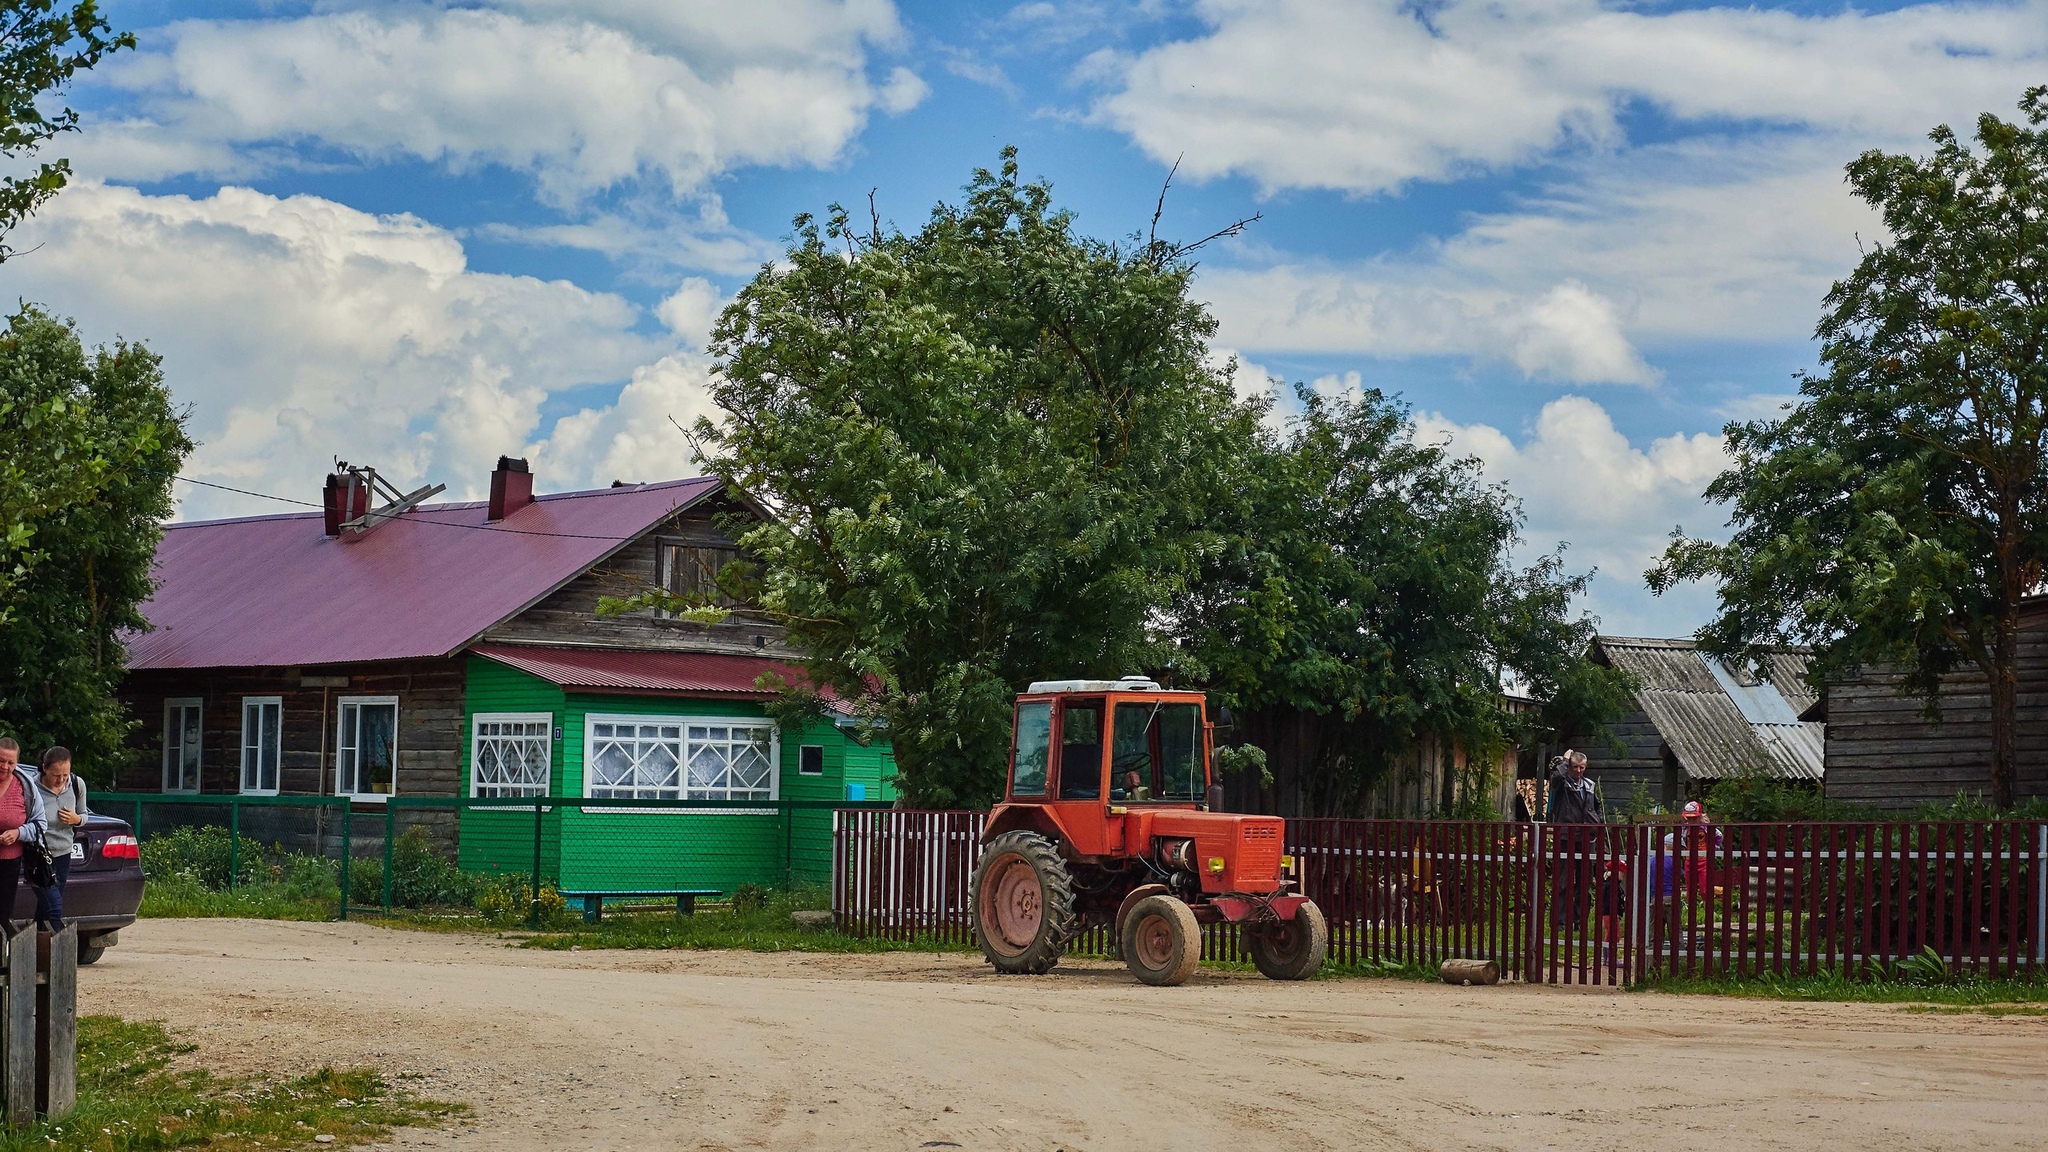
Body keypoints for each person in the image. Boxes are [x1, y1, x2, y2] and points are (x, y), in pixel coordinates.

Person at [1546, 751, 1602, 930]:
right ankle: (1560, 922)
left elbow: (1597, 807)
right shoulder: (1561, 783)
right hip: (1565, 836)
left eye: (1582, 767)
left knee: (1585, 882)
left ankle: (1580, 921)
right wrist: (1564, 760)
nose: (1578, 771)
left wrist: (1596, 824)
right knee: (1563, 881)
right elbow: (1557, 777)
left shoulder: (1590, 785)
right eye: (1575, 767)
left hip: (1587, 837)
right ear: (1570, 766)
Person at [33, 747, 86, 932]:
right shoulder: (32, 788)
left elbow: (84, 814)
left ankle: (35, 950)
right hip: (39, 856)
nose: (61, 780)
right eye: (56, 775)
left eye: (66, 774)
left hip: (64, 852)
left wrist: (76, 819)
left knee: (45, 909)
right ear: (44, 768)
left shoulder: (77, 784)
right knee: (54, 907)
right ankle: (55, 955)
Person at [0, 739, 47, 930]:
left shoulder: (25, 786)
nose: (5, 766)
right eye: (1, 761)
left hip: (10, 862)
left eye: (10, 762)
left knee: (3, 913)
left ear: (17, 762)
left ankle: (1, 956)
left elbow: (40, 825)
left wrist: (18, 833)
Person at [1597, 860, 1628, 972]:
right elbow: (1612, 901)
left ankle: (1607, 958)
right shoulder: (1611, 886)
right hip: (1610, 913)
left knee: (1611, 934)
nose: (1624, 876)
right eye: (1622, 873)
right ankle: (1610, 958)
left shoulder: (1610, 884)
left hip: (1609, 913)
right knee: (1613, 935)